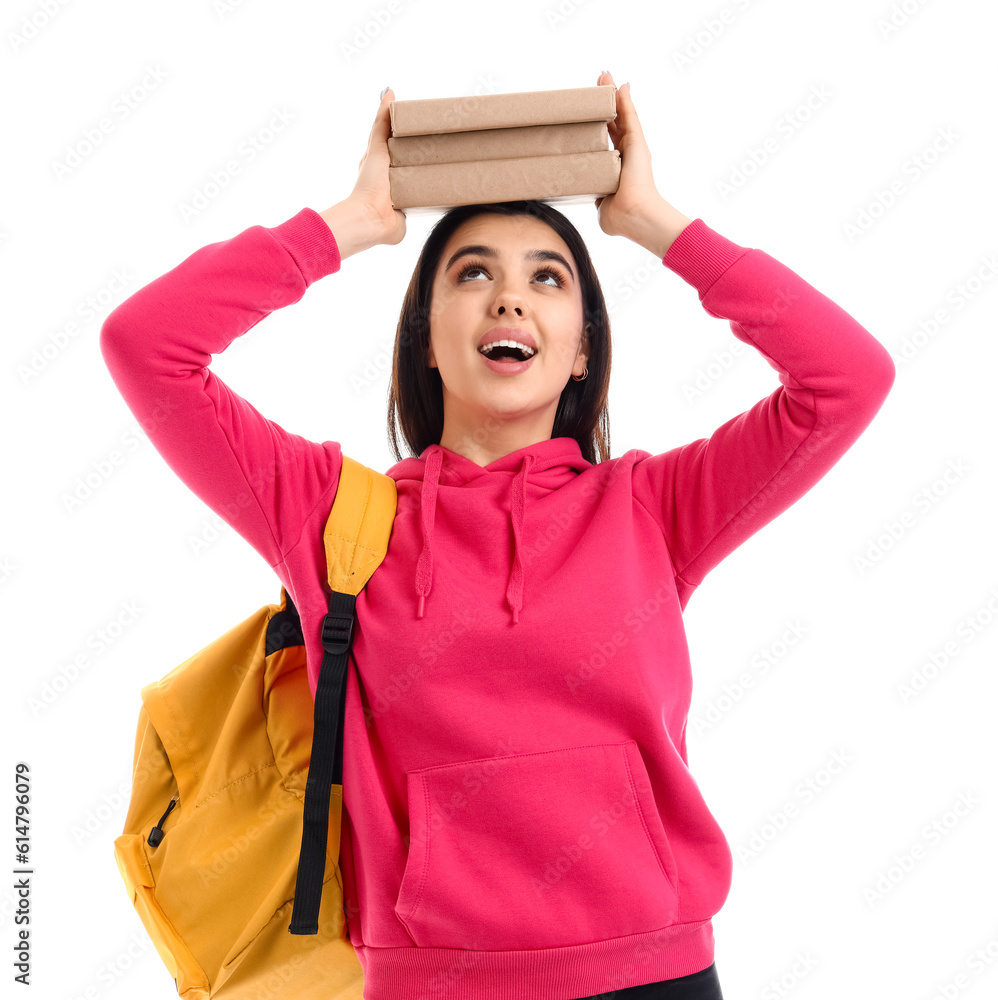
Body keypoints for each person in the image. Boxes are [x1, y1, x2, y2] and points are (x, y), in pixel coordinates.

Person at [99, 70, 895, 1000]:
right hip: (433, 983)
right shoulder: (333, 516)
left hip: (657, 976)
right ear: (426, 339)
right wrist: (355, 222)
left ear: (582, 344)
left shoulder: (653, 506)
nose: (508, 300)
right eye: (471, 272)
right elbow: (146, 345)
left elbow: (846, 379)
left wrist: (652, 222)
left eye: (546, 280)